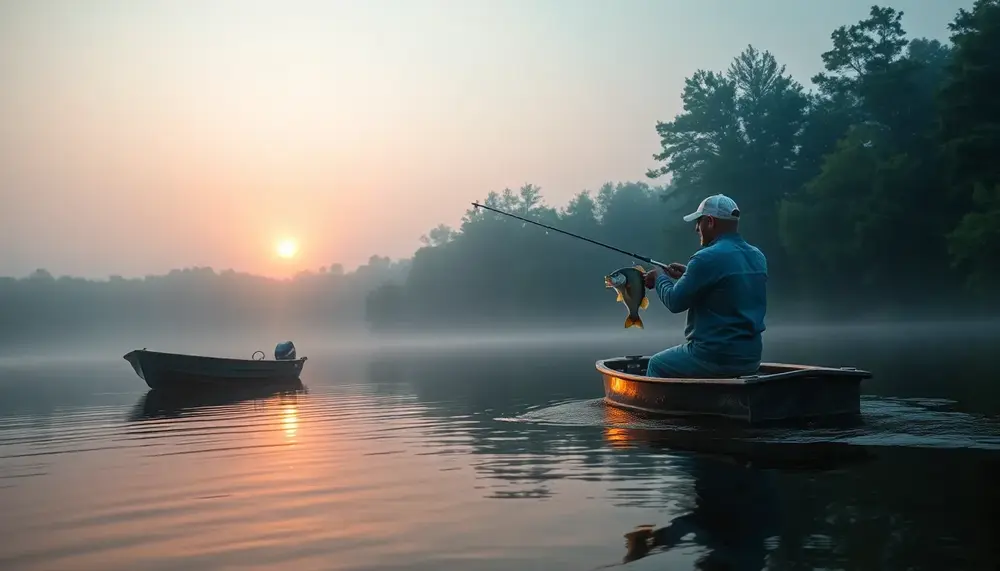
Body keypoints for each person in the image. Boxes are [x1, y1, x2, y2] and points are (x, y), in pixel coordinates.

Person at [642, 194, 767, 378]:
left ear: (710, 222)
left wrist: (659, 277)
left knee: (657, 364)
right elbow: (728, 285)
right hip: (751, 357)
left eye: (698, 222)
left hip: (713, 357)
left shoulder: (705, 258)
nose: (696, 228)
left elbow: (674, 302)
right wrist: (688, 274)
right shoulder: (758, 256)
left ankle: (660, 406)